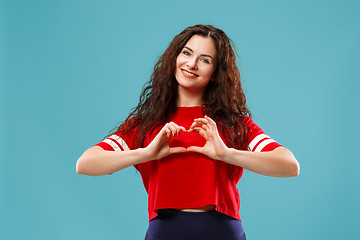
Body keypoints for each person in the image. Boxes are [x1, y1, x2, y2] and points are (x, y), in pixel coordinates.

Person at [76, 24, 300, 240]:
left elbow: (289, 165)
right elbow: (85, 163)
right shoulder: (146, 125)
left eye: (205, 60)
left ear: (214, 73)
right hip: (165, 232)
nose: (191, 64)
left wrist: (226, 153)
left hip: (222, 232)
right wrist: (147, 153)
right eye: (186, 53)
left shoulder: (233, 124)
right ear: (175, 58)